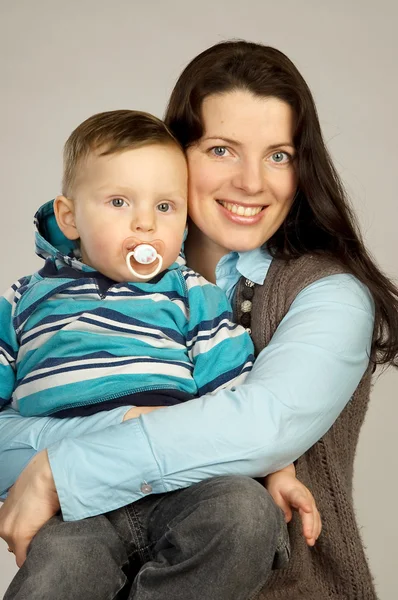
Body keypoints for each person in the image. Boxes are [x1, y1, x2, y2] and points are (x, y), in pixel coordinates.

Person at [1, 39, 397, 599]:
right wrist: (103, 431)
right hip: (95, 565)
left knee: (240, 511)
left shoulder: (328, 296)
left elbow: (262, 426)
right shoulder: (59, 291)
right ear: (174, 152)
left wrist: (58, 470)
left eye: (278, 155)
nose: (252, 182)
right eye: (221, 150)